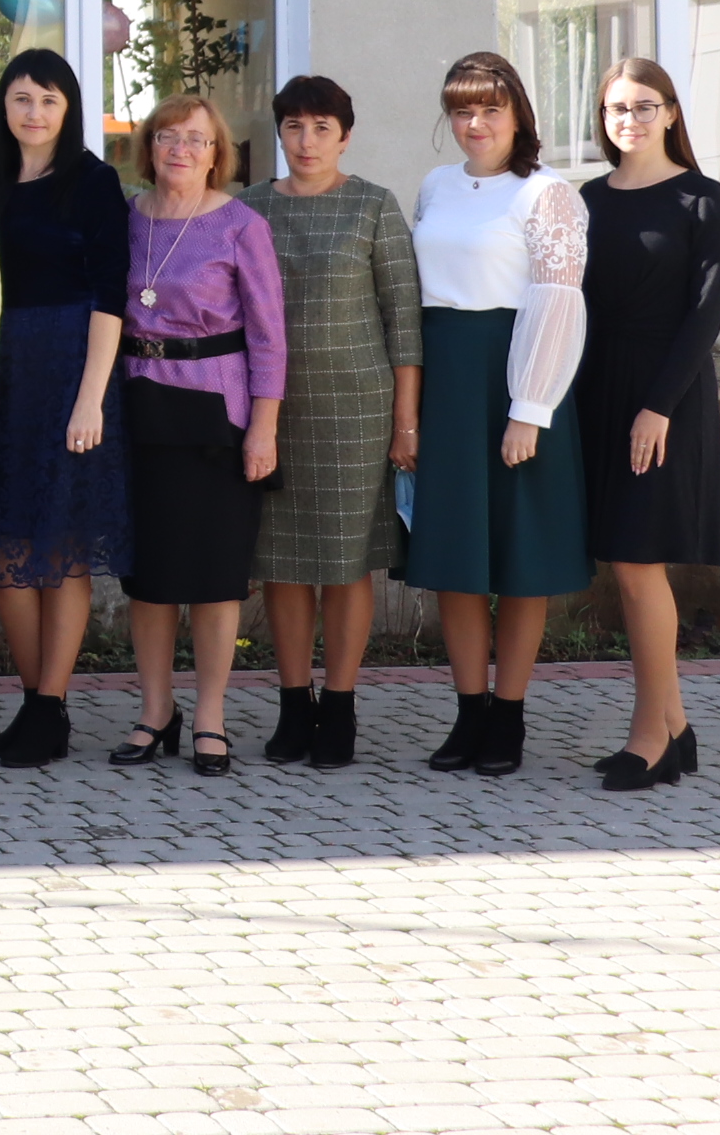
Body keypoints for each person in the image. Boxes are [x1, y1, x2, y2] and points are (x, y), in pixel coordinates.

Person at [404, 50, 592, 780]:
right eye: (462, 110)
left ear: (518, 116)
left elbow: (557, 301)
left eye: (490, 109)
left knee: (519, 560)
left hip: (517, 375)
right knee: (455, 558)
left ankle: (508, 715)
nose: (475, 123)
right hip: (446, 377)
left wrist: (529, 408)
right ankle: (469, 711)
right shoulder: (435, 185)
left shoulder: (547, 195)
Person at [0, 48, 128, 771]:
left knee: (59, 545)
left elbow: (112, 296)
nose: (34, 113)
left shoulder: (94, 182)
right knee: (4, 544)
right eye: (22, 99)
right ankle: (36, 705)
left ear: (69, 110)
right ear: (4, 106)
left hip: (69, 371)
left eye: (49, 100)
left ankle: (51, 702)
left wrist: (91, 397)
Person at [112, 96, 288, 778]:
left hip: (218, 416)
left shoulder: (241, 225)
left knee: (215, 579)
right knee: (150, 578)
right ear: (149, 147)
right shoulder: (128, 219)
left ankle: (210, 716)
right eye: (167, 137)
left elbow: (269, 337)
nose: (180, 150)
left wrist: (263, 429)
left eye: (196, 139)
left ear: (217, 153)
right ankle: (155, 712)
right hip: (141, 412)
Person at [253, 73, 423, 772]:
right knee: (284, 562)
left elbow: (404, 320)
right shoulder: (250, 207)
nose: (307, 140)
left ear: (345, 137)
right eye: (294, 126)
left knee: (347, 562)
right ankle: (295, 705)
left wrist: (406, 423)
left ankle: (342, 704)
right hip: (272, 410)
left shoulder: (373, 206)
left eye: (322, 128)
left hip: (357, 409)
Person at [579, 56, 720, 790]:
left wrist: (658, 406)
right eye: (617, 108)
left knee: (640, 562)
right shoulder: (587, 199)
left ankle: (650, 738)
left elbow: (705, 315)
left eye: (644, 106)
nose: (630, 119)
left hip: (666, 396)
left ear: (671, 113)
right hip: (595, 390)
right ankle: (675, 724)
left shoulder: (703, 199)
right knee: (622, 559)